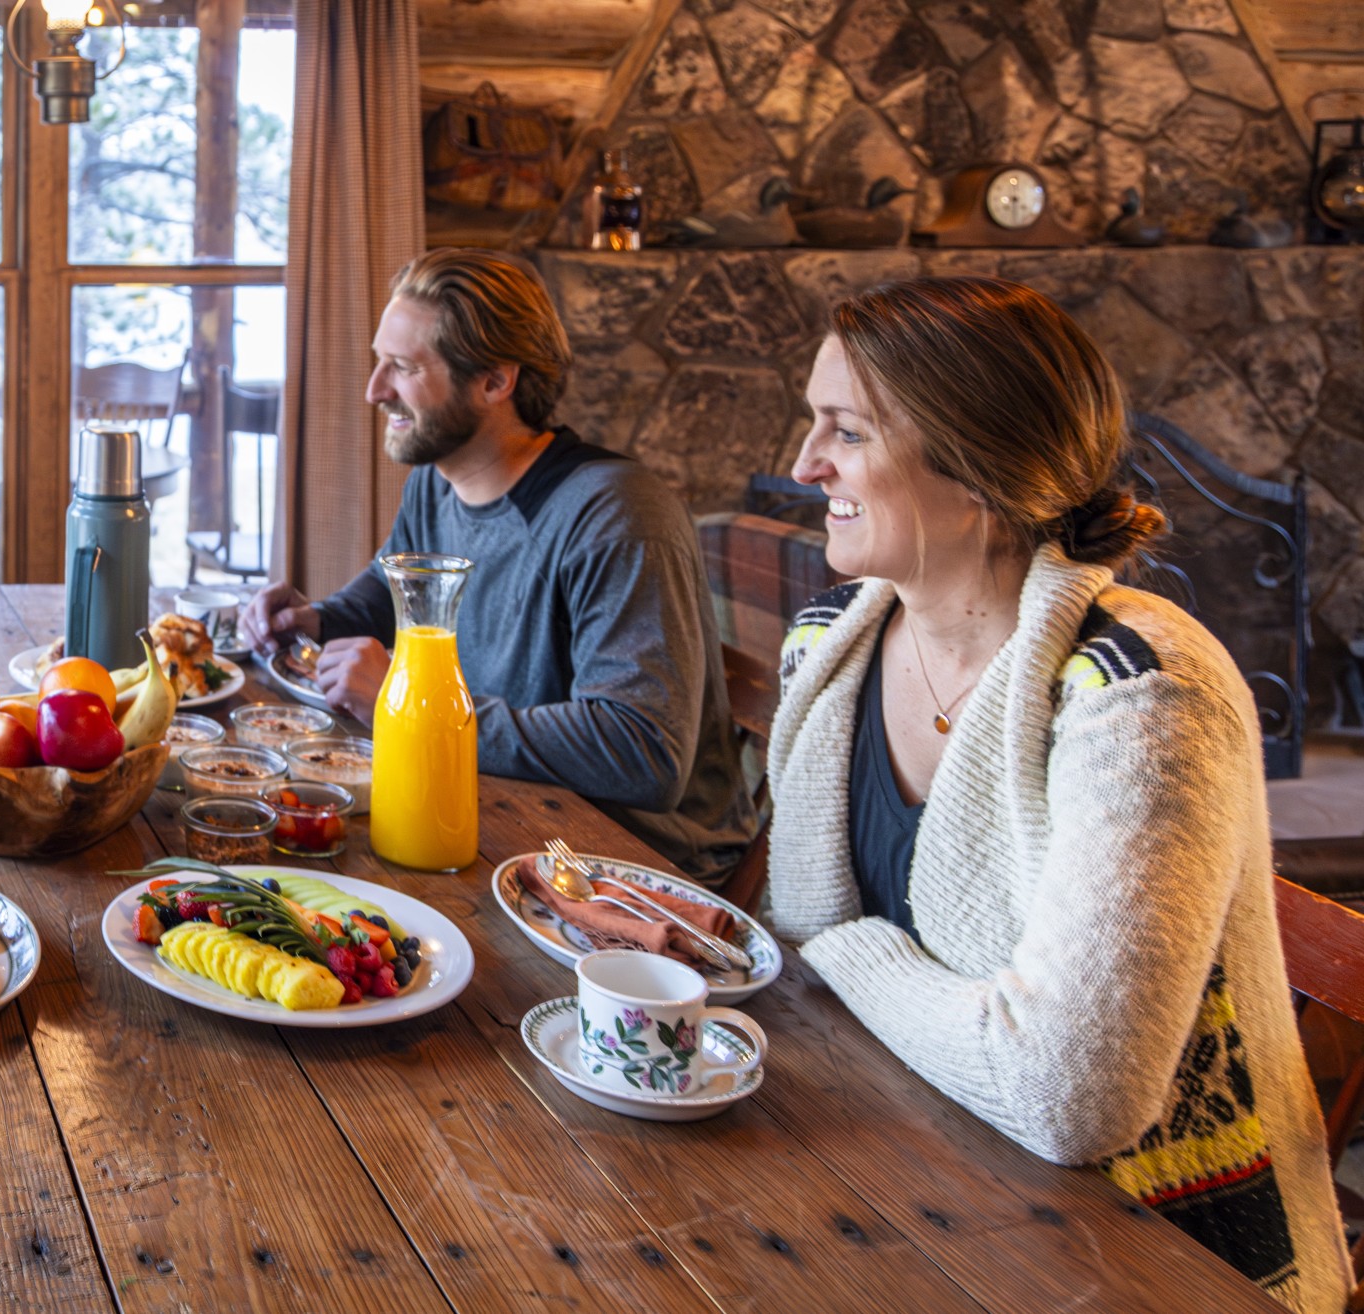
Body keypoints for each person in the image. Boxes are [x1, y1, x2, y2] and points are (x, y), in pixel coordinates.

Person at [767, 276, 1350, 1312]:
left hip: (1152, 1254)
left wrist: (842, 954)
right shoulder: (827, 645)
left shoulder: (1141, 693)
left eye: (846, 433)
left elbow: (1070, 1095)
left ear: (978, 465)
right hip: (903, 1168)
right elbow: (803, 937)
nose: (803, 465)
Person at [243, 248, 754, 881]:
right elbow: (387, 595)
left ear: (494, 381)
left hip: (628, 863)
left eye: (402, 368)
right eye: (381, 363)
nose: (375, 390)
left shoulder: (617, 514)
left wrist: (411, 705)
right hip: (497, 809)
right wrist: (311, 620)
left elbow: (642, 751)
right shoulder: (437, 484)